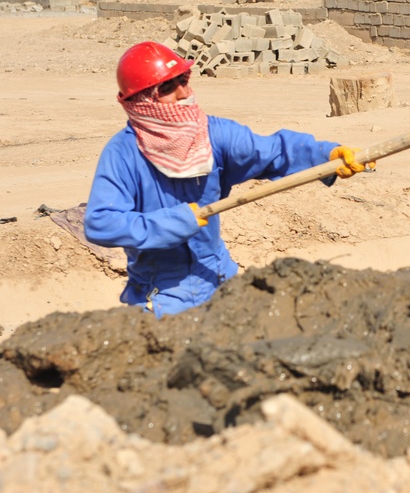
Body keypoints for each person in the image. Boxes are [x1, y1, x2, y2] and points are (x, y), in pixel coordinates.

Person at [85, 41, 372, 317]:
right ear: (141, 101)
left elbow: (273, 152)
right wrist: (174, 222)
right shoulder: (122, 153)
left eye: (184, 80)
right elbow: (101, 223)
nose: (185, 93)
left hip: (218, 275)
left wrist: (327, 155)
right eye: (169, 87)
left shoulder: (212, 134)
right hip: (162, 294)